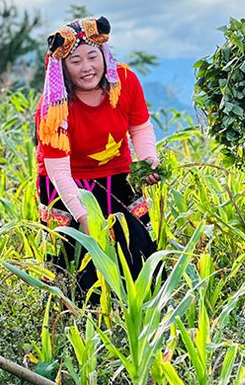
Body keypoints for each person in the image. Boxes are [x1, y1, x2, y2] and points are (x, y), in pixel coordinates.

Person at [35, 16, 162, 301]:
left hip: (117, 176)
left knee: (137, 254)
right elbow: (59, 171)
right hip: (67, 185)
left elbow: (140, 126)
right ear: (62, 68)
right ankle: (79, 318)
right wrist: (85, 218)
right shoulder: (53, 107)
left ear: (104, 55)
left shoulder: (125, 82)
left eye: (93, 57)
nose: (87, 67)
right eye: (75, 61)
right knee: (76, 267)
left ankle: (142, 310)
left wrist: (147, 161)